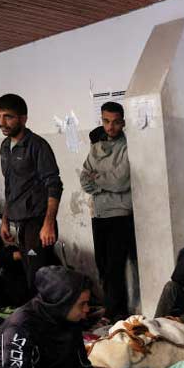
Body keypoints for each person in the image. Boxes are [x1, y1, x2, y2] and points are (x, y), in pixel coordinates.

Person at [0, 93, 62, 291]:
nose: (1, 122)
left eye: (8, 116)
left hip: (37, 223)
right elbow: (9, 186)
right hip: (19, 223)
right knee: (30, 272)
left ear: (23, 118)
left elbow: (54, 185)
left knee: (38, 276)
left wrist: (48, 224)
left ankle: (48, 318)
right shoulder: (5, 147)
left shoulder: (38, 146)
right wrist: (5, 220)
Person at [80, 101, 136, 322]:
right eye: (106, 121)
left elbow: (122, 180)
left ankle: (116, 313)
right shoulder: (96, 147)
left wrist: (99, 180)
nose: (110, 127)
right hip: (100, 214)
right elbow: (84, 179)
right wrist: (104, 181)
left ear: (122, 122)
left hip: (120, 215)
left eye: (115, 122)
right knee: (102, 266)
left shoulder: (127, 146)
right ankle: (111, 310)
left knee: (115, 267)